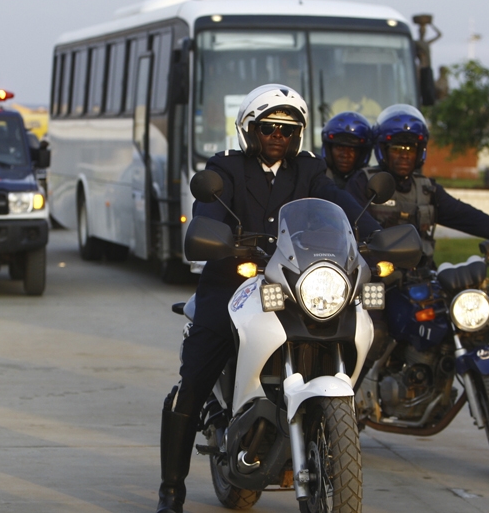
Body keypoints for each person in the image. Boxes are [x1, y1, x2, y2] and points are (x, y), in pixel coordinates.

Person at [155, 84, 382, 513]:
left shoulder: (309, 171)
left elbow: (339, 203)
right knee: (194, 381)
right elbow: (209, 212)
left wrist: (376, 234)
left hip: (295, 284)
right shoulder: (225, 168)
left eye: (288, 130)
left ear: (298, 135)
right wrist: (217, 236)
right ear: (249, 129)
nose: (279, 136)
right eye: (269, 128)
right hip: (232, 284)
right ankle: (171, 491)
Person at [346, 104, 489, 267]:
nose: (404, 155)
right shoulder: (364, 182)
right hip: (379, 276)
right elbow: (351, 223)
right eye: (397, 149)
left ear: (420, 152)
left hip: (420, 274)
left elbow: (464, 215)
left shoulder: (426, 189)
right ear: (383, 150)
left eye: (411, 149)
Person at [320, 111, 373, 189]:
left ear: (362, 153)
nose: (345, 155)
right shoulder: (316, 179)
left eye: (352, 149)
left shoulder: (373, 182)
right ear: (329, 149)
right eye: (339, 147)